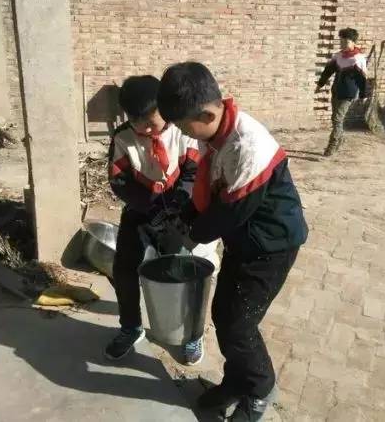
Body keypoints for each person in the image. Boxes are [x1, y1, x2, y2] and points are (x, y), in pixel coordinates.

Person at [157, 62, 308, 422]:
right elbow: (211, 188)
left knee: (239, 325)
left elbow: (229, 213)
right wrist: (186, 215)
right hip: (244, 240)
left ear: (206, 114)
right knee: (224, 315)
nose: (183, 134)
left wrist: (188, 235)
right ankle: (237, 381)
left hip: (271, 245)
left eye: (183, 126)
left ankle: (260, 390)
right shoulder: (214, 132)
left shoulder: (248, 147)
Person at [105, 75, 208, 365]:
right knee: (124, 270)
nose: (146, 129)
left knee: (181, 274)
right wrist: (149, 207)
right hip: (140, 213)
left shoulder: (182, 132)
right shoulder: (123, 138)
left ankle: (190, 333)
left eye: (151, 121)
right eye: (137, 122)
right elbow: (119, 180)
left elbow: (193, 172)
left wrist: (178, 205)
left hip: (177, 216)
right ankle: (131, 327)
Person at [315, 27, 368, 156]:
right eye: (341, 41)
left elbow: (362, 79)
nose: (343, 44)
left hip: (349, 94)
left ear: (353, 42)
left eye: (346, 42)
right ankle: (341, 138)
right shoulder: (338, 56)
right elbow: (328, 71)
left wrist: (363, 94)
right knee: (335, 118)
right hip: (336, 90)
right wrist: (320, 84)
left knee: (337, 119)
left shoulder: (358, 59)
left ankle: (332, 145)